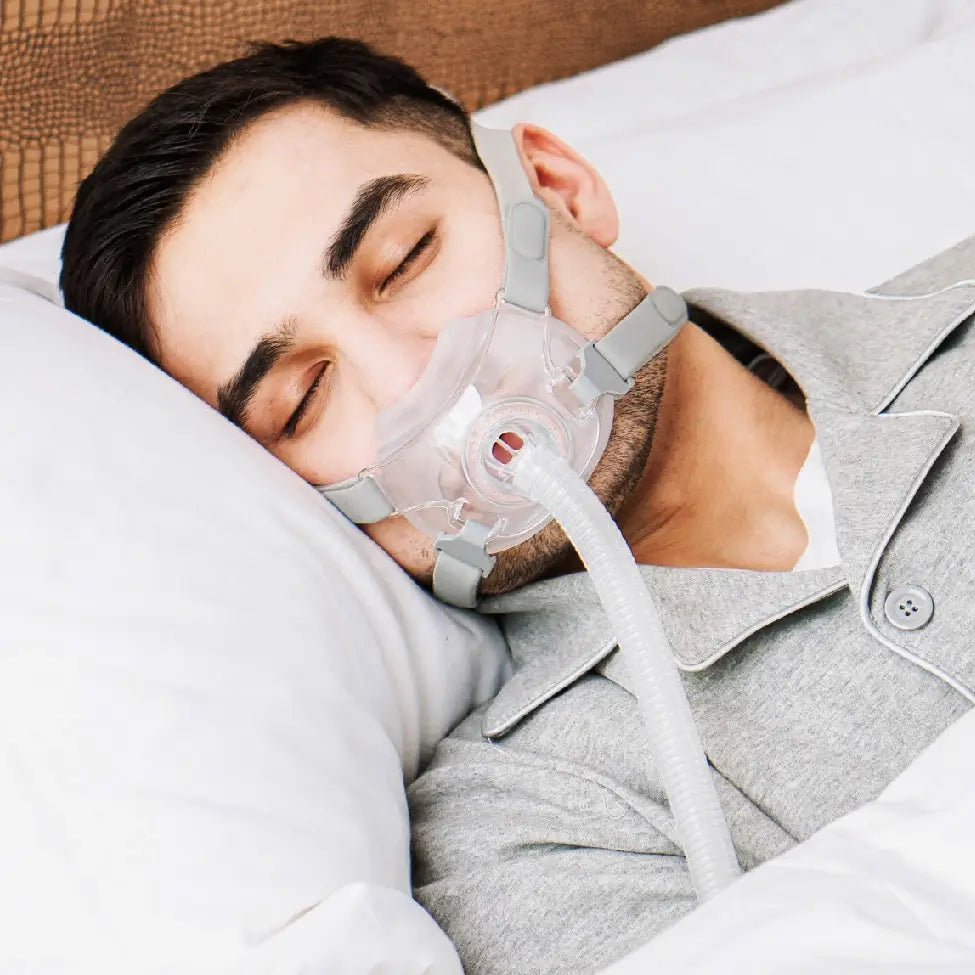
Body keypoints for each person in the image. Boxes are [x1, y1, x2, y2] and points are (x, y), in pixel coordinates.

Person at [59, 37, 975, 974]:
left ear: (554, 186)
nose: (410, 378)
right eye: (301, 400)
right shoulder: (531, 833)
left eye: (407, 256)